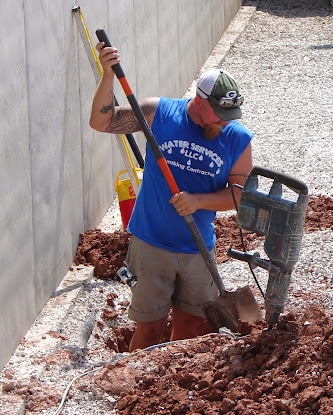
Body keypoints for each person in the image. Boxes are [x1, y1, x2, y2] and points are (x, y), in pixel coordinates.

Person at [89, 42, 253, 351]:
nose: (225, 122)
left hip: (197, 249)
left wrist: (198, 201)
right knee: (149, 329)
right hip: (150, 246)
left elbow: (240, 196)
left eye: (230, 115)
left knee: (189, 330)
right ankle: (136, 387)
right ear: (199, 102)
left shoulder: (237, 138)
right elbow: (101, 122)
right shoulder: (158, 113)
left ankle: (166, 389)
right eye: (219, 114)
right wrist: (108, 76)